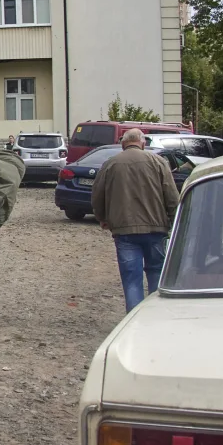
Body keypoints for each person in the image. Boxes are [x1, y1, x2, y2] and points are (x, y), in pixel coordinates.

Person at [90, 128, 179, 313]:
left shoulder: (111, 164)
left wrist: (102, 218)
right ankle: (156, 316)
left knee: (132, 279)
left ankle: (134, 320)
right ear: (143, 143)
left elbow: (97, 195)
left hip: (125, 230)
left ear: (123, 144)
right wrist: (175, 220)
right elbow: (171, 196)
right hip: (156, 228)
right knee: (156, 273)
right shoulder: (159, 162)